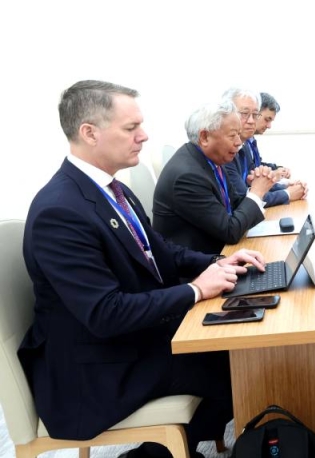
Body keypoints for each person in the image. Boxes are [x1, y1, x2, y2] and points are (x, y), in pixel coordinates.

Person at [19, 80, 267, 458]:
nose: (144, 136)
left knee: (241, 350)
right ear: (90, 133)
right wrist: (196, 290)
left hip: (128, 340)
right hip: (94, 371)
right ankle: (154, 454)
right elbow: (105, 313)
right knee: (243, 367)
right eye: (131, 128)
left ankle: (170, 450)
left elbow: (161, 251)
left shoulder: (111, 189)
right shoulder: (60, 211)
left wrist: (218, 262)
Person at [153, 99, 275, 254]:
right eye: (233, 135)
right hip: (200, 262)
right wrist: (256, 193)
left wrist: (256, 187)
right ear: (204, 137)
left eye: (239, 134)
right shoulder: (187, 176)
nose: (239, 142)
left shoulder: (211, 159)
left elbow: (235, 204)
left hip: (220, 250)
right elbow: (230, 231)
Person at [222, 88, 306, 207]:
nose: (251, 121)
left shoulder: (244, 146)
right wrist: (287, 193)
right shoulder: (223, 152)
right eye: (245, 114)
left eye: (255, 115)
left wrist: (285, 185)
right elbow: (244, 197)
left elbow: (254, 184)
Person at [253, 91, 291, 176]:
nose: (269, 126)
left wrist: (277, 169)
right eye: (267, 120)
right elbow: (250, 172)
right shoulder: (240, 143)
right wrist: (273, 174)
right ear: (255, 114)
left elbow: (256, 165)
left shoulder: (251, 141)